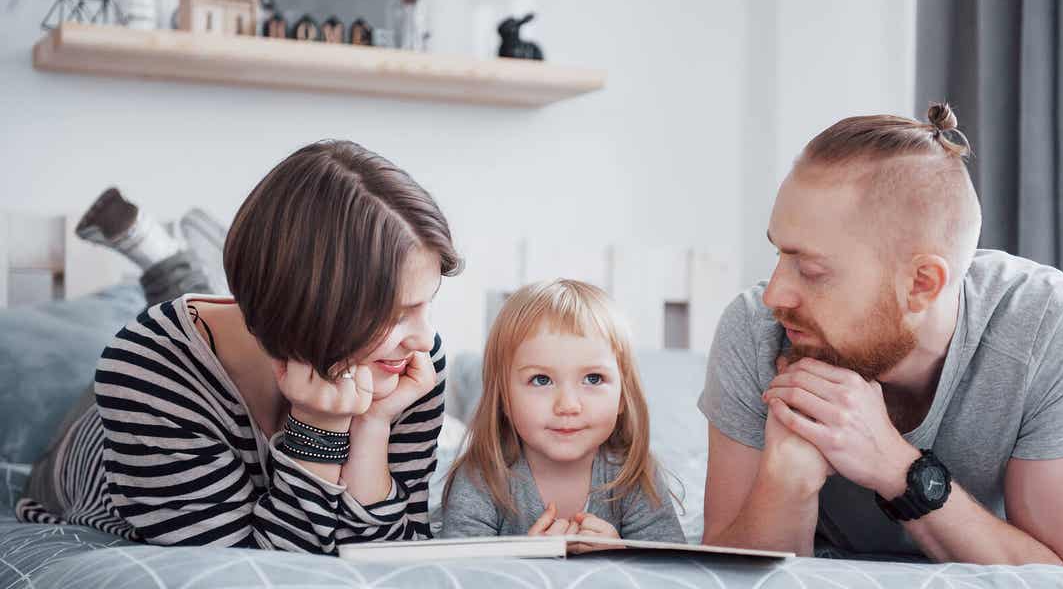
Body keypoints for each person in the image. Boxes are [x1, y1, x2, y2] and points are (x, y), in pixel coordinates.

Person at [17, 140, 462, 554]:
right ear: (312, 303)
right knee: (132, 352)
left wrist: (372, 427)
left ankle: (170, 264)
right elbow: (251, 575)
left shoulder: (412, 363)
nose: (424, 338)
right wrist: (318, 429)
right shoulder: (146, 373)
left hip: (258, 333)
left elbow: (393, 552)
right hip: (99, 447)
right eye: (396, 312)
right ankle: (169, 268)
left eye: (426, 305)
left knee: (253, 319)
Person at [699, 103, 1063, 566]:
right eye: (780, 254)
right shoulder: (755, 332)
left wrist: (894, 466)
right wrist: (787, 481)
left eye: (812, 270)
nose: (775, 295)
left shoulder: (1050, 328)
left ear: (922, 284)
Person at [440, 279, 684, 549]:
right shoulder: (482, 477)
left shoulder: (634, 476)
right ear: (504, 399)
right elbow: (460, 575)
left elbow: (673, 574)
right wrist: (525, 560)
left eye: (593, 378)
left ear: (623, 396)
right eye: (541, 380)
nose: (568, 405)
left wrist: (621, 557)